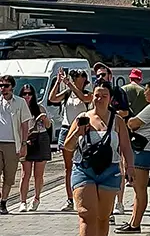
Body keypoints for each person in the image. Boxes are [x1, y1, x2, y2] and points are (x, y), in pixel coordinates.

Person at [63, 81, 134, 236]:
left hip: (110, 171)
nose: (99, 99)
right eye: (96, 95)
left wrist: (130, 167)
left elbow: (126, 146)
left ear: (110, 98)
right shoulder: (82, 118)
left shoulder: (117, 121)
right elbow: (68, 147)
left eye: (103, 95)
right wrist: (78, 131)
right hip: (83, 169)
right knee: (86, 214)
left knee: (103, 217)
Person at [49, 68, 92, 212]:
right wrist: (59, 82)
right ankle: (69, 199)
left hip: (82, 129)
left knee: (83, 163)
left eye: (78, 77)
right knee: (68, 167)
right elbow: (52, 98)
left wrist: (70, 85)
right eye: (74, 77)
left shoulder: (87, 93)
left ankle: (83, 194)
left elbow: (84, 98)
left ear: (84, 80)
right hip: (67, 128)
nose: (75, 80)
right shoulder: (68, 93)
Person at [115, 80, 150, 234]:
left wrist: (128, 118)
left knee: (139, 189)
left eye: (146, 89)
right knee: (139, 189)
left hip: (142, 150)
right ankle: (133, 220)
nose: (144, 93)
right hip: (147, 149)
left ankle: (135, 223)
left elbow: (133, 124)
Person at [93, 63, 129, 217]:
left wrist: (111, 113)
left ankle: (118, 202)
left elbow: (126, 111)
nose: (100, 77)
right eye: (98, 75)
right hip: (98, 138)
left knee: (119, 168)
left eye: (103, 74)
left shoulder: (118, 91)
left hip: (115, 134)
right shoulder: (95, 93)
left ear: (110, 76)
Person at [16, 84, 52, 212]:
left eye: (29, 94)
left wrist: (44, 117)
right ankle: (22, 201)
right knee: (25, 173)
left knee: (38, 174)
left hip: (40, 139)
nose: (27, 96)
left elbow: (48, 126)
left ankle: (36, 198)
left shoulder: (40, 107)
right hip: (26, 140)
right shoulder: (18, 108)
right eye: (24, 94)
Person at [0, 76, 29, 215]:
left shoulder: (20, 102)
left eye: (5, 85)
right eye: (0, 85)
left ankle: (3, 202)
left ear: (12, 87)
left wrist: (24, 143)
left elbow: (25, 124)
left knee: (9, 176)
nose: (2, 88)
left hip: (13, 144)